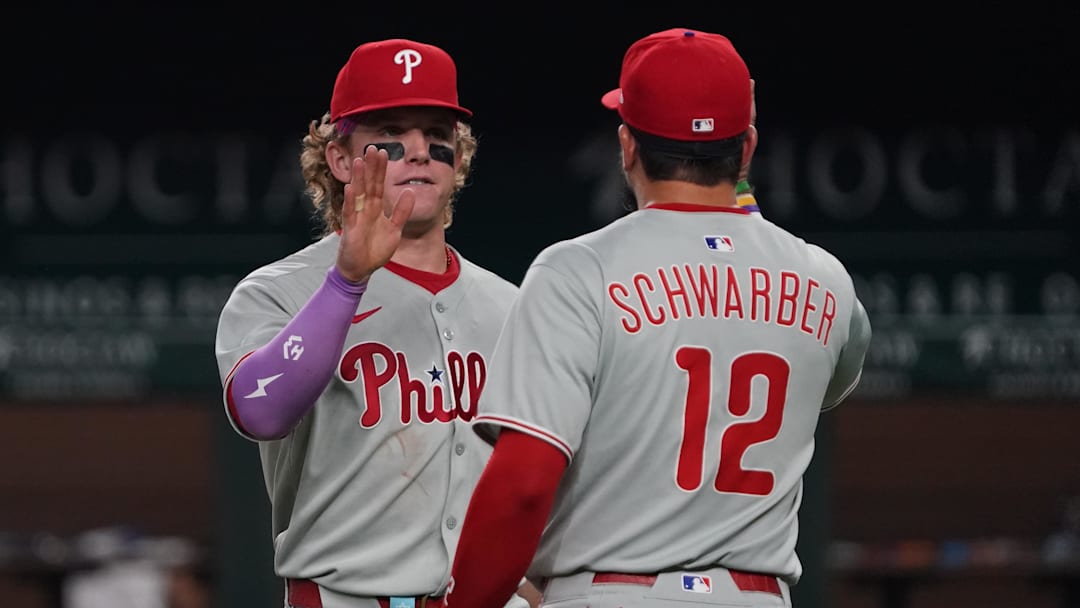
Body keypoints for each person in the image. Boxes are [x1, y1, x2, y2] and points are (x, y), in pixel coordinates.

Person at [445, 27, 872, 608]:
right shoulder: (826, 278)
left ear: (627, 146)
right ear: (746, 149)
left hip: (613, 592)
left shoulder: (579, 271)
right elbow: (830, 384)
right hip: (755, 595)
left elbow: (522, 487)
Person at [213, 38, 536, 608]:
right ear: (339, 160)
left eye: (437, 137)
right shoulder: (279, 290)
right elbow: (261, 411)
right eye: (390, 134)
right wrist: (346, 284)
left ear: (457, 161)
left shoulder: (510, 305)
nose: (417, 151)